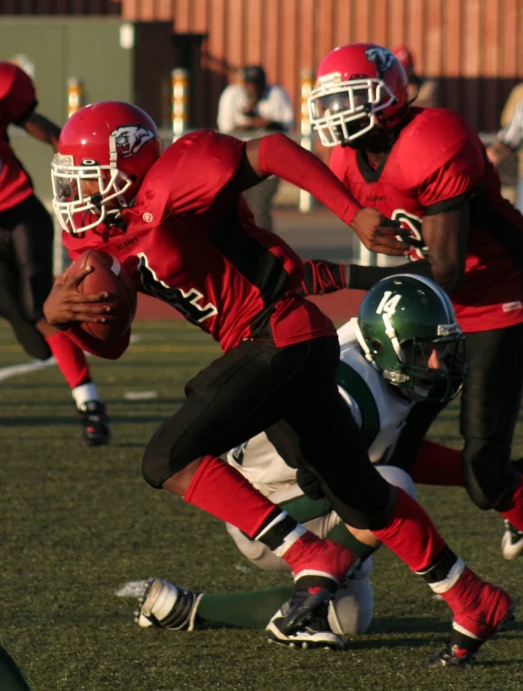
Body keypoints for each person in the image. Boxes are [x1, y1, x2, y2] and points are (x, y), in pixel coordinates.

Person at [43, 100, 512, 667]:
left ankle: (307, 552)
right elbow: (111, 342)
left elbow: (271, 150)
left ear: (129, 166)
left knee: (166, 457)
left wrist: (349, 213)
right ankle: (471, 598)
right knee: (360, 493)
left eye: (87, 179)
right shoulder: (104, 241)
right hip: (288, 346)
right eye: (70, 181)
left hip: (277, 334)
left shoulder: (174, 179)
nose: (77, 195)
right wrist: (60, 315)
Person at [134, 274, 469, 641]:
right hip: (267, 510)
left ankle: (186, 608)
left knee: (350, 620)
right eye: (421, 351)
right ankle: (314, 586)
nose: (436, 364)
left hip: (302, 495)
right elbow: (334, 469)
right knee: (390, 486)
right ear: (380, 344)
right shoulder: (351, 389)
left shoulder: (377, 366)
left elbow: (399, 453)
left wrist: (477, 473)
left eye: (441, 349)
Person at [307, 41, 523, 566]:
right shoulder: (348, 157)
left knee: (484, 477)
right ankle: (325, 575)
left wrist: (347, 276)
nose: (337, 116)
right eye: (331, 103)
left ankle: (514, 503)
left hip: (495, 296)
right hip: (436, 309)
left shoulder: (433, 138)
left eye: (350, 99)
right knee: (392, 451)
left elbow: (446, 269)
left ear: (388, 97)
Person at [0, 61, 110, 446]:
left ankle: (89, 404)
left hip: (17, 210)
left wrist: (74, 153)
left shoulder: (4, 84)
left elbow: (37, 124)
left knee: (37, 305)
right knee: (22, 319)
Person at [217, 65, 294, 230]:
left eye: (257, 84)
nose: (253, 88)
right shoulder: (232, 95)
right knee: (235, 211)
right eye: (249, 84)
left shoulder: (276, 95)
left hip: (267, 165)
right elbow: (225, 128)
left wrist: (266, 122)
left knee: (259, 211)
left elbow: (287, 124)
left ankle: (264, 250)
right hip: (237, 163)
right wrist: (252, 124)